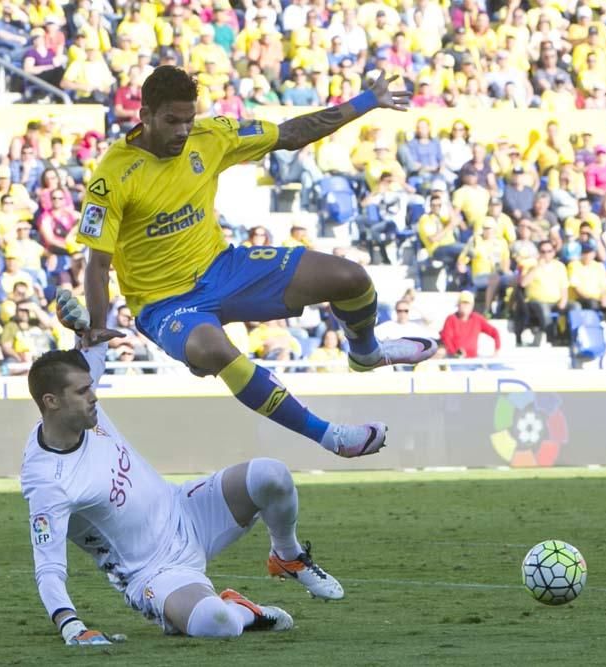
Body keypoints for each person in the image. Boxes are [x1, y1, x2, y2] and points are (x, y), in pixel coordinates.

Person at [75, 66, 435, 458]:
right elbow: (97, 264)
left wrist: (367, 101)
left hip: (224, 268)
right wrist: (97, 327)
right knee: (214, 349)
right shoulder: (112, 177)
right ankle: (330, 436)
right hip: (164, 303)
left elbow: (291, 134)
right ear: (144, 115)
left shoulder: (210, 137)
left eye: (188, 119)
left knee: (349, 277)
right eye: (171, 121)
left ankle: (365, 352)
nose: (182, 130)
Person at [22, 291, 343, 645]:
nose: (94, 395)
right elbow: (49, 568)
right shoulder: (48, 482)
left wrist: (81, 324)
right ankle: (242, 610)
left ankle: (287, 556)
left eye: (90, 387)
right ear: (51, 402)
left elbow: (90, 346)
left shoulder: (82, 408)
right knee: (218, 622)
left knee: (272, 475)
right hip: (154, 573)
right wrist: (72, 627)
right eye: (83, 392)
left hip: (185, 509)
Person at [439, 291, 501, 359]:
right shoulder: (451, 319)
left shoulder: (477, 319)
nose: (465, 306)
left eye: (468, 303)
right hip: (455, 360)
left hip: (473, 359)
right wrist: (456, 352)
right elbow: (447, 339)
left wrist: (497, 350)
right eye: (463, 303)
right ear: (458, 305)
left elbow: (494, 332)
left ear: (472, 306)